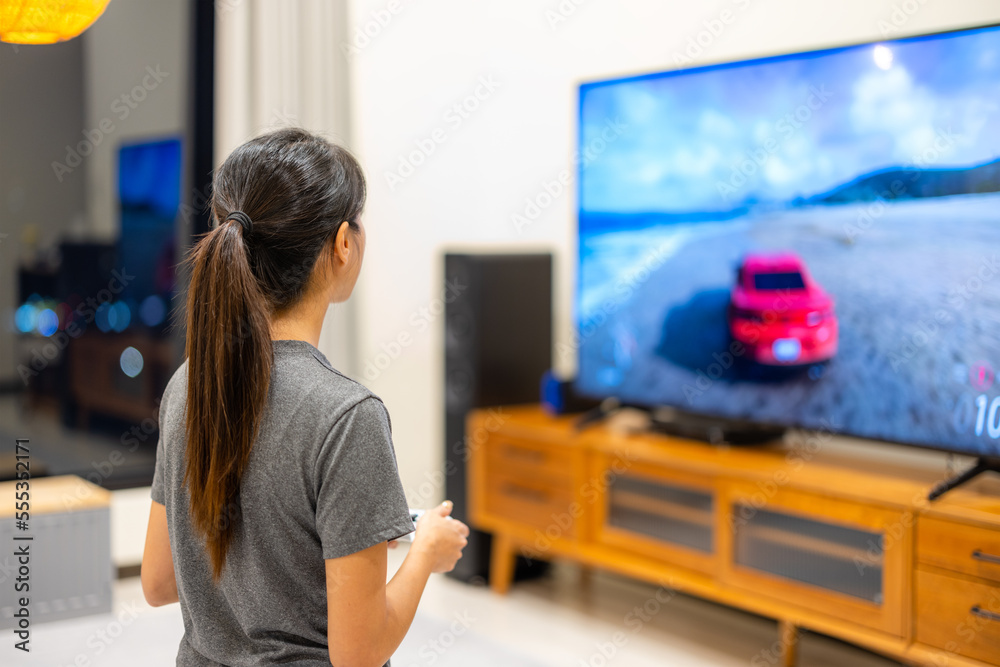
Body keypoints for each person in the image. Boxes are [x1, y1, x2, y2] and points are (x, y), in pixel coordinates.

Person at [140, 127, 469, 667]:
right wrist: (425, 555)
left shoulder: (189, 384)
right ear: (343, 244)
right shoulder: (346, 417)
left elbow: (157, 581)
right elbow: (358, 654)